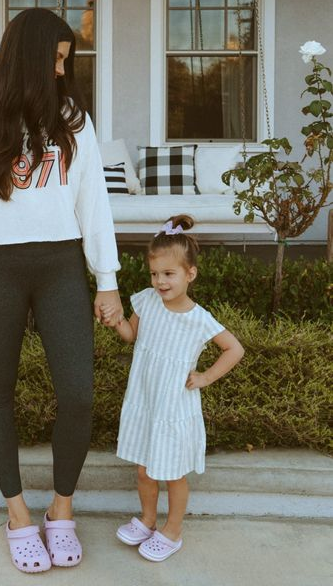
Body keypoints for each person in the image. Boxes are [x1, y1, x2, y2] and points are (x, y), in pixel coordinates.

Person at [0, 7, 123, 573]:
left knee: (79, 394)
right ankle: (17, 514)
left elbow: (94, 202)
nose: (64, 72)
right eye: (59, 59)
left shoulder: (72, 117)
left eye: (68, 60)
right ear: (29, 56)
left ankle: (60, 509)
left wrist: (107, 279)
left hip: (62, 264)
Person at [100, 215, 244, 562]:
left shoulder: (199, 319)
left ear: (189, 274)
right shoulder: (147, 301)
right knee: (144, 469)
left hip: (174, 408)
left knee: (172, 474)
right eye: (155, 274)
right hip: (146, 401)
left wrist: (205, 377)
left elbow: (234, 349)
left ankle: (173, 530)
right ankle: (148, 520)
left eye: (169, 274)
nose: (160, 281)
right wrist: (117, 320)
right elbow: (132, 335)